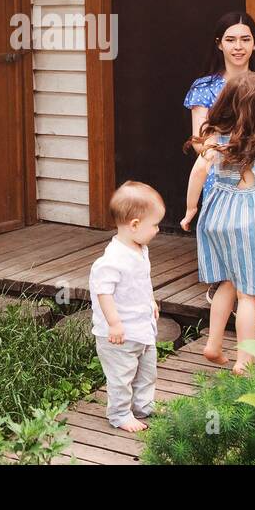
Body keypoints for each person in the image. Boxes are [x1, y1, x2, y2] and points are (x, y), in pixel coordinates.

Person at [181, 72, 255, 374]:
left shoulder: (215, 139)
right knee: (249, 295)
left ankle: (214, 344)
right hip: (254, 220)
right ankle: (244, 360)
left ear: (226, 104)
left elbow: (197, 174)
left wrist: (191, 209)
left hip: (220, 217)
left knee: (228, 283)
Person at [183, 11, 255, 218]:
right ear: (219, 44)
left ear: (254, 44)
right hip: (222, 170)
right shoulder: (204, 87)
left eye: (245, 39)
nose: (238, 46)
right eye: (230, 40)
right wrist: (231, 152)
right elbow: (198, 141)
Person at [89, 180, 162, 432]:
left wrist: (150, 300)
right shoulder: (111, 260)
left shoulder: (140, 250)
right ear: (134, 225)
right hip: (118, 335)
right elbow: (103, 292)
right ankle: (120, 414)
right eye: (154, 225)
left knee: (146, 370)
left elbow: (142, 281)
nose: (158, 229)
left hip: (142, 328)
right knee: (121, 377)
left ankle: (143, 405)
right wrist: (114, 323)